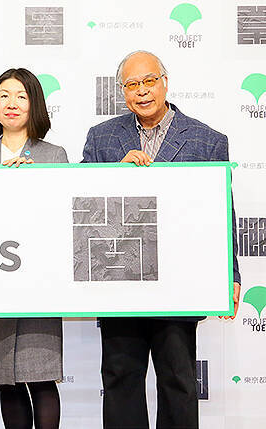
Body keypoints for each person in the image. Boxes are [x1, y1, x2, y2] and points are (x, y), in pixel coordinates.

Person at [81, 50, 241, 429]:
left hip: (179, 282)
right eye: (132, 84)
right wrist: (113, 175)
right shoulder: (102, 138)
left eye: (149, 81)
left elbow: (223, 211)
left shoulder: (207, 141)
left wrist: (229, 276)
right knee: (120, 380)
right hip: (119, 281)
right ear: (122, 92)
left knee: (178, 381)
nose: (142, 91)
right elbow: (83, 205)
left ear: (165, 83)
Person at [0, 68, 67, 429]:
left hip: (39, 280)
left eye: (21, 96)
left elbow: (62, 217)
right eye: (4, 95)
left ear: (34, 104)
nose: (11, 103)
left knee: (41, 375)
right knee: (6, 379)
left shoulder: (53, 156)